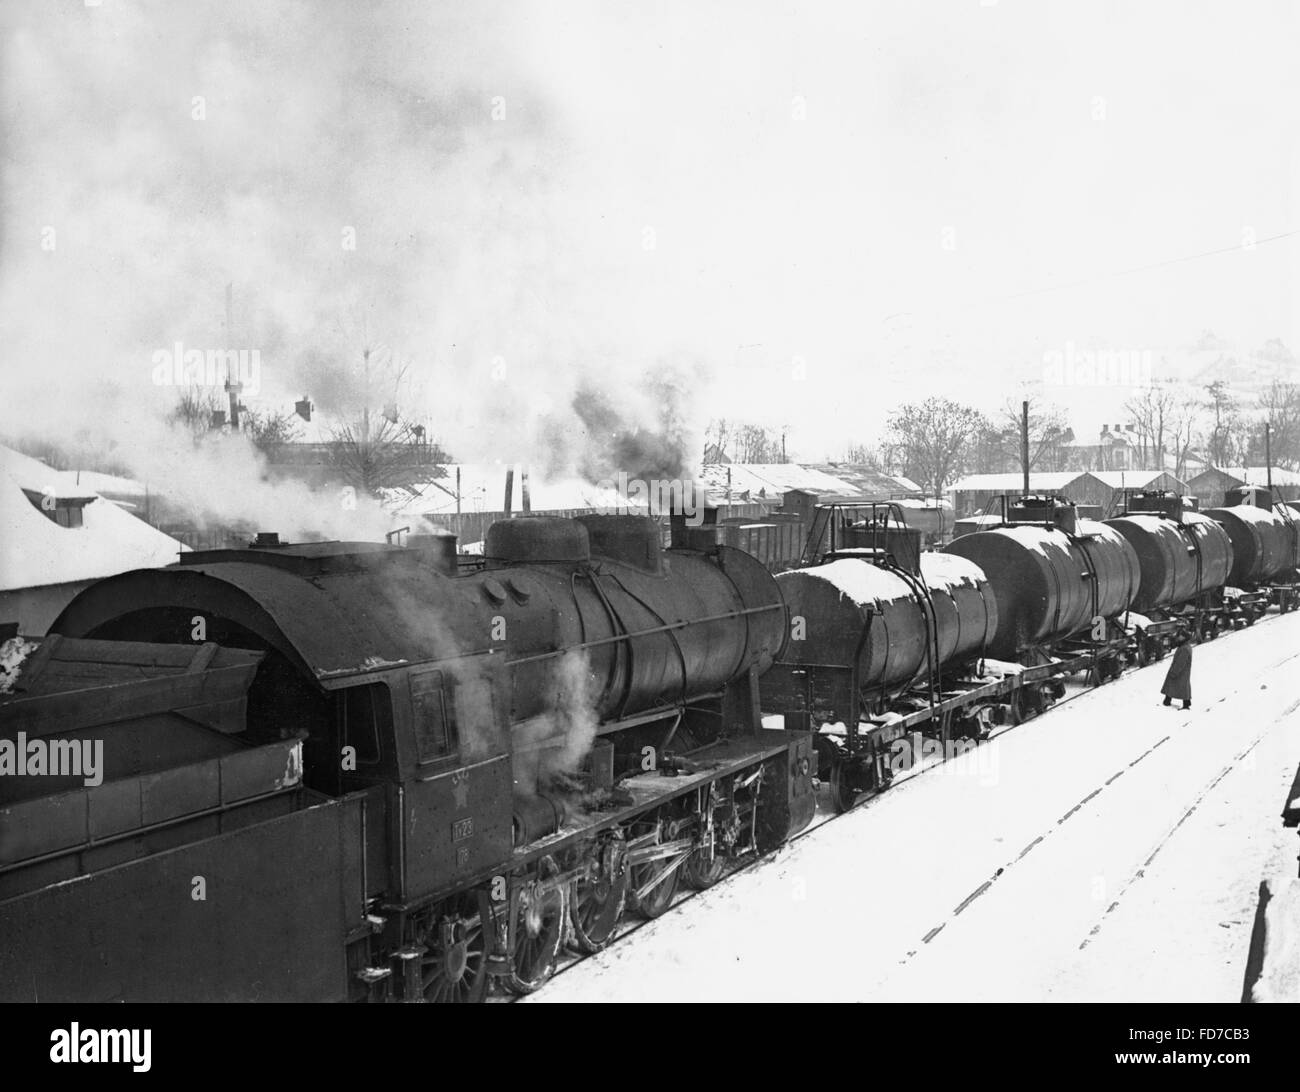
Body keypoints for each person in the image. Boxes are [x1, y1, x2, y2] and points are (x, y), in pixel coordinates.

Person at [1161, 634, 1193, 710]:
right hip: (1183, 671)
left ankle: (1185, 704)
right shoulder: (1184, 646)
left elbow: (1180, 662)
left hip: (1180, 671)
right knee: (1180, 687)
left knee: (1177, 686)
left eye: (1181, 636)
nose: (1179, 638)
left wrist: (1174, 672)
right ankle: (1168, 701)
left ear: (1185, 638)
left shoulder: (1184, 648)